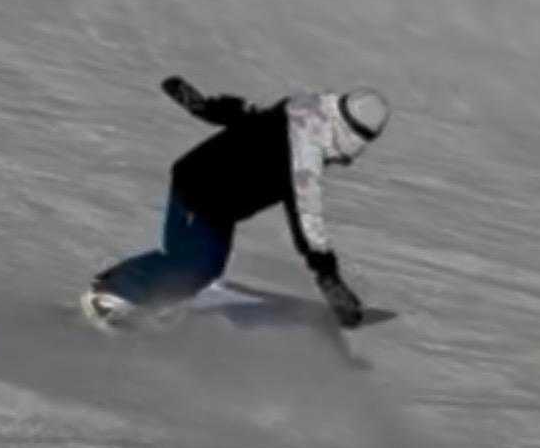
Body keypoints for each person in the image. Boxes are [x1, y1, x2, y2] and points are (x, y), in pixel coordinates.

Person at [81, 77, 391, 331]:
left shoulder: (301, 112)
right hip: (202, 191)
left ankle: (135, 294)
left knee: (198, 263)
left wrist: (205, 107)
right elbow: (307, 217)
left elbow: (246, 112)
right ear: (348, 137)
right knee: (194, 263)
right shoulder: (304, 157)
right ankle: (114, 295)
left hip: (212, 196)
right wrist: (328, 277)